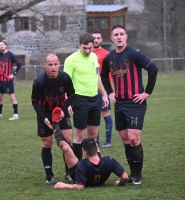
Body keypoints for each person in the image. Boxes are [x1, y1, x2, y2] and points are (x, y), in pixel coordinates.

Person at [101, 25, 158, 185]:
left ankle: (138, 175)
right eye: (115, 35)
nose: (119, 37)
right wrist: (110, 92)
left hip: (135, 103)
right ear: (112, 38)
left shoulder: (133, 53)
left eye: (121, 34)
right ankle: (132, 174)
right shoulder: (109, 58)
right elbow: (104, 76)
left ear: (126, 36)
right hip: (119, 104)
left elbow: (153, 69)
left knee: (134, 139)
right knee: (126, 140)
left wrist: (147, 92)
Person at [51, 107, 128, 189]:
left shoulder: (81, 165)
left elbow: (80, 186)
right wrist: (120, 183)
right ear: (96, 149)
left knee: (65, 147)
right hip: (98, 168)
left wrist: (64, 185)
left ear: (85, 153)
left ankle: (55, 123)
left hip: (79, 173)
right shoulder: (109, 161)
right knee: (93, 140)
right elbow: (125, 177)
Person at [31, 54, 75, 185]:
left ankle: (70, 173)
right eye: (50, 64)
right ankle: (49, 175)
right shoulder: (39, 81)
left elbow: (72, 96)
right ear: (45, 65)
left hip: (61, 111)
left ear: (59, 64)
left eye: (55, 64)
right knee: (47, 143)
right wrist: (43, 117)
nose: (53, 67)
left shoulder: (65, 78)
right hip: (45, 113)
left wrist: (64, 109)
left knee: (67, 141)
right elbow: (34, 102)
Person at [64, 33, 109, 161]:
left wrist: (104, 94)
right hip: (79, 99)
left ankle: (96, 165)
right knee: (79, 136)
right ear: (79, 45)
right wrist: (68, 103)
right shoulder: (70, 60)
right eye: (85, 48)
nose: (88, 51)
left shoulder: (94, 57)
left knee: (93, 135)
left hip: (95, 99)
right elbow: (66, 82)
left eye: (90, 48)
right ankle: (76, 167)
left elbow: (97, 77)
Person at [0, 41, 22, 121]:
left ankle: (16, 115)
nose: (1, 46)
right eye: (0, 45)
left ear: (5, 45)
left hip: (8, 80)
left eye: (2, 44)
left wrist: (13, 74)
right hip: (0, 80)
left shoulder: (10, 55)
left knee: (12, 97)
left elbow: (19, 64)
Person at [92, 30, 113, 148]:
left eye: (98, 38)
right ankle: (96, 142)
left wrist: (106, 89)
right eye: (94, 38)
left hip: (102, 89)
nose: (96, 40)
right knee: (94, 115)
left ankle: (108, 141)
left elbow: (110, 72)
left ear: (101, 40)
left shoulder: (106, 54)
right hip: (90, 90)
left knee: (105, 113)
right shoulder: (87, 53)